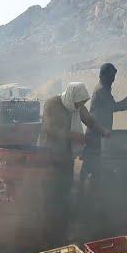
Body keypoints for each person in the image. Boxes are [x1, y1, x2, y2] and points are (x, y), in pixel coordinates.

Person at [38, 82, 110, 243]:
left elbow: (89, 120)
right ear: (72, 97)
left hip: (66, 156)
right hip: (50, 156)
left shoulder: (76, 107)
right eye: (79, 103)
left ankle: (62, 229)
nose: (80, 106)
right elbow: (50, 128)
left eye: (83, 103)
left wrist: (103, 131)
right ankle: (47, 232)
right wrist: (73, 136)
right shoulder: (52, 104)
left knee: (65, 189)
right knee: (51, 194)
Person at [80, 63, 127, 184]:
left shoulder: (103, 88)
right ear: (104, 76)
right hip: (96, 132)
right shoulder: (101, 90)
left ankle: (89, 191)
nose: (113, 79)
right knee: (90, 163)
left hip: (99, 132)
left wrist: (126, 100)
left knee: (94, 164)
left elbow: (112, 105)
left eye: (114, 76)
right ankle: (82, 193)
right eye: (111, 76)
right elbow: (113, 107)